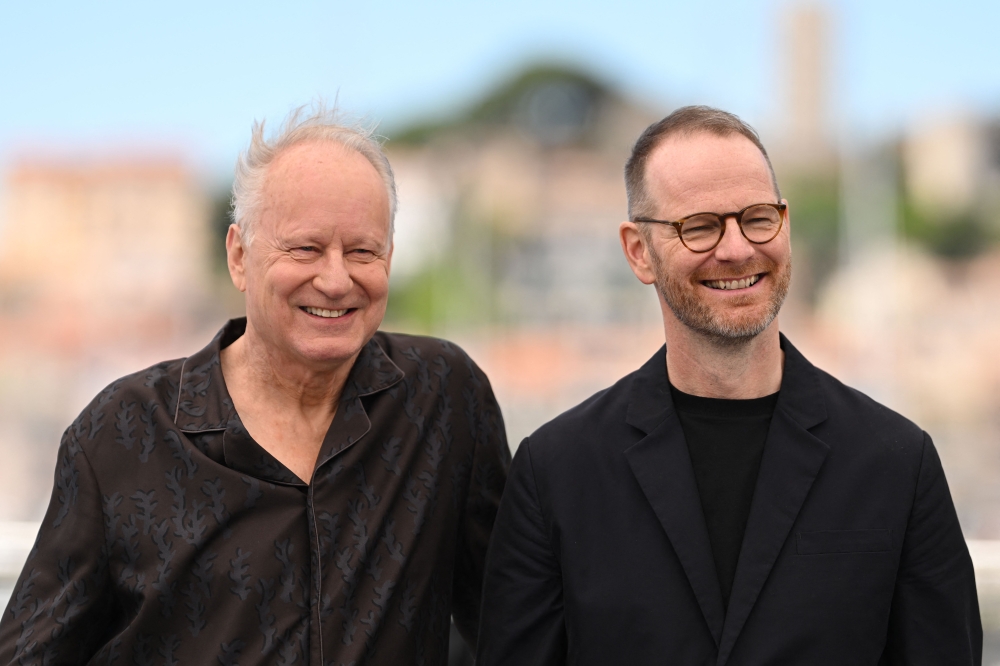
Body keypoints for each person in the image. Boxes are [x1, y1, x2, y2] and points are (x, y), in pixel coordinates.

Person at [0, 105, 510, 665]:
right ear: (239, 256)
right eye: (306, 248)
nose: (336, 279)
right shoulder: (121, 432)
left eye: (363, 251)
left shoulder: (443, 398)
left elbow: (510, 618)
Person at [476, 106, 981, 665]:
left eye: (758, 218)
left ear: (784, 224)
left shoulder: (897, 463)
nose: (737, 248)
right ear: (638, 251)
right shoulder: (554, 472)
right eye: (700, 226)